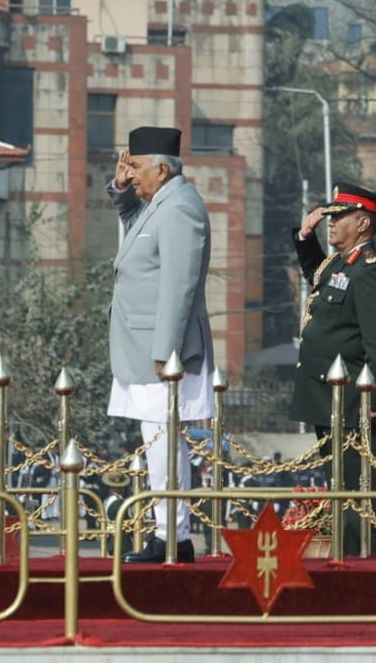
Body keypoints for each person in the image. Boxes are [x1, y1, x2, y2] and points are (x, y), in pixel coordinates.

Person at [108, 126, 216, 564]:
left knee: (164, 445)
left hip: (163, 352)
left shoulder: (179, 209)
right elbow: (133, 223)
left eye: (135, 167)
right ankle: (170, 533)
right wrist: (119, 185)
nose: (131, 176)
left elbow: (179, 284)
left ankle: (172, 536)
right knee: (158, 443)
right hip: (145, 346)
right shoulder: (161, 203)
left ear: (163, 168)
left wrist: (165, 350)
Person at [290, 182, 376, 556]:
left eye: (339, 217)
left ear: (363, 223)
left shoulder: (370, 272)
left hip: (356, 402)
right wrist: (306, 239)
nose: (330, 223)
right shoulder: (341, 264)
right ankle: (349, 561)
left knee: (360, 498)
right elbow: (318, 278)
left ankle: (365, 569)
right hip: (331, 398)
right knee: (341, 490)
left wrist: (375, 398)